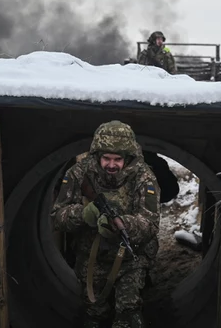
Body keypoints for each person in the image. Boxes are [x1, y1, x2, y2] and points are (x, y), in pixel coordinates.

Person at [51, 121, 161, 328]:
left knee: (128, 313)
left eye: (118, 159)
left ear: (127, 158)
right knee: (94, 314)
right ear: (97, 155)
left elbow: (151, 224)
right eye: (106, 158)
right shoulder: (78, 174)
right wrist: (84, 215)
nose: (112, 165)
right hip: (91, 258)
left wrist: (123, 224)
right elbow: (58, 216)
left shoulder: (144, 177)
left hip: (131, 259)